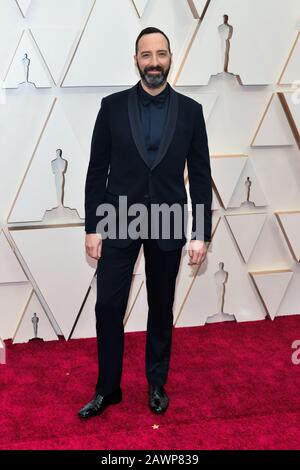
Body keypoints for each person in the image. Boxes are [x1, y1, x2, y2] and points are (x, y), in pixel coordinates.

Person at [78, 27, 212, 419]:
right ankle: (108, 389)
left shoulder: (191, 111)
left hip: (168, 222)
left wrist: (200, 232)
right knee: (108, 307)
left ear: (170, 58)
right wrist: (92, 226)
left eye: (161, 54)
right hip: (118, 219)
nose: (154, 62)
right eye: (146, 55)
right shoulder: (112, 106)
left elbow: (201, 176)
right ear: (135, 59)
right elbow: (96, 169)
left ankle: (156, 383)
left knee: (161, 306)